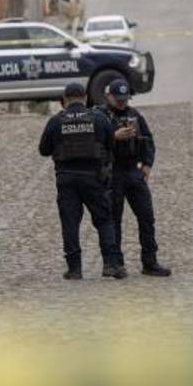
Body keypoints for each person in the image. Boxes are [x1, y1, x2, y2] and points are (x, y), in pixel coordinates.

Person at [39, 82, 125, 280]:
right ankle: (111, 265)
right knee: (104, 221)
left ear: (65, 100)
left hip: (66, 178)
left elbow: (43, 149)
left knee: (70, 224)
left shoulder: (56, 121)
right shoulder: (98, 118)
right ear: (85, 98)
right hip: (93, 177)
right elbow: (111, 144)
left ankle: (75, 269)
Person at [103, 79, 171, 276]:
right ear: (109, 96)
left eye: (125, 99)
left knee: (147, 217)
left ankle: (150, 262)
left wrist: (147, 164)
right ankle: (116, 263)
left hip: (134, 171)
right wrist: (114, 137)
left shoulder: (135, 115)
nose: (122, 103)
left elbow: (148, 140)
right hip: (113, 172)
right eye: (118, 99)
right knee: (114, 219)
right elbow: (96, 143)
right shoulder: (102, 116)